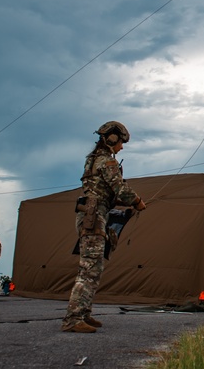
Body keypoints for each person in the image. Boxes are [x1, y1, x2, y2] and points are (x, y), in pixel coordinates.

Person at [62, 121, 146, 333]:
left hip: (93, 214)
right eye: (121, 142)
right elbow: (120, 189)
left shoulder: (92, 160)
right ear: (112, 138)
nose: (122, 147)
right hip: (94, 216)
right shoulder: (106, 162)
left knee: (95, 267)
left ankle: (84, 313)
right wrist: (137, 202)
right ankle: (73, 319)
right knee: (89, 268)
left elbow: (103, 192)